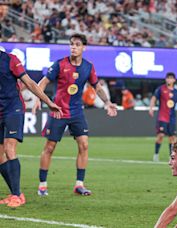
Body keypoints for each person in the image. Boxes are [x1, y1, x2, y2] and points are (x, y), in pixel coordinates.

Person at [32, 33, 118, 196]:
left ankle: (79, 184)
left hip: (77, 111)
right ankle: (42, 185)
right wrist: (38, 99)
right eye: (72, 44)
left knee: (84, 145)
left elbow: (97, 87)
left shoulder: (88, 66)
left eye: (77, 44)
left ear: (84, 47)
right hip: (58, 110)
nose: (73, 47)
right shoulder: (59, 64)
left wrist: (107, 102)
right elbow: (43, 82)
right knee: (50, 147)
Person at [0, 49, 62, 208]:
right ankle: (16, 192)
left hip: (13, 109)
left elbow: (29, 83)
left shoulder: (10, 59)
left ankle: (16, 195)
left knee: (9, 148)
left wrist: (48, 102)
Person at [149, 72, 177, 162]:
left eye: (171, 78)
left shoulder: (176, 92)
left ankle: (171, 157)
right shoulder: (161, 89)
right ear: (165, 79)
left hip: (172, 118)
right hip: (162, 117)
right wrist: (151, 109)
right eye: (168, 78)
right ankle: (156, 154)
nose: (169, 79)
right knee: (160, 136)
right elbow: (153, 98)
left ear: (174, 80)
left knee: (172, 138)